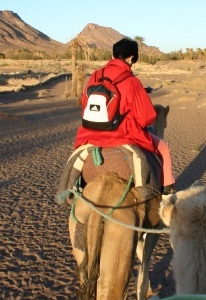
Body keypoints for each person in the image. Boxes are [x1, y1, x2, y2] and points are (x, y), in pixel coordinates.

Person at [74, 37, 175, 194]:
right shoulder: (131, 81)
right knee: (164, 148)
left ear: (113, 56)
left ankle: (69, 188)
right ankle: (166, 196)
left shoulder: (95, 75)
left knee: (74, 159)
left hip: (90, 135)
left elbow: (85, 106)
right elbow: (147, 117)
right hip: (124, 135)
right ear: (131, 58)